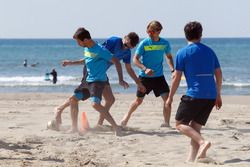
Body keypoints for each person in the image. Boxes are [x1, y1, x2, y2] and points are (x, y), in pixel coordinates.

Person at [54, 32, 145, 128]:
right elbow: (94, 54)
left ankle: (99, 124)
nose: (125, 48)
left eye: (129, 47)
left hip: (101, 74)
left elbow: (129, 69)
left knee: (110, 100)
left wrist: (138, 83)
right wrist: (72, 62)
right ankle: (60, 109)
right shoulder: (114, 41)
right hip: (92, 71)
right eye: (125, 45)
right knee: (81, 96)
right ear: (124, 38)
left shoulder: (127, 53)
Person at [166, 21, 222, 162]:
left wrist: (170, 97)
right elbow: (219, 73)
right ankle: (191, 160)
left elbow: (177, 78)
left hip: (195, 95)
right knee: (195, 129)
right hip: (210, 96)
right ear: (201, 34)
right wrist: (218, 94)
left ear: (186, 35)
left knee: (179, 124)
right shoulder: (210, 51)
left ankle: (203, 142)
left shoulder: (182, 52)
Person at [55, 27, 125, 136]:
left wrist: (120, 79)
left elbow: (116, 61)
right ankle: (74, 128)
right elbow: (86, 60)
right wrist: (70, 63)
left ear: (86, 40)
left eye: (78, 41)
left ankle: (116, 127)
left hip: (98, 81)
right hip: (88, 80)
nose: (77, 43)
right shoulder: (87, 48)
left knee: (95, 104)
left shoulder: (100, 50)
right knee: (73, 100)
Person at [121, 20, 174, 127]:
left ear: (158, 31)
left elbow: (168, 57)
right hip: (145, 77)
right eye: (148, 31)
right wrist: (145, 69)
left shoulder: (164, 43)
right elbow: (135, 59)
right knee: (138, 101)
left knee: (167, 100)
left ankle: (166, 123)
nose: (149, 33)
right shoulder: (144, 43)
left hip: (159, 77)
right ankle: (125, 118)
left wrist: (173, 69)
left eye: (152, 31)